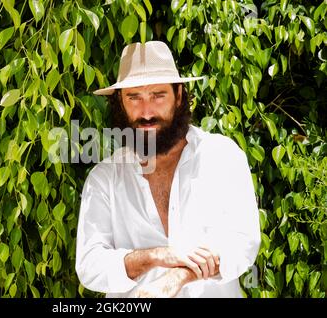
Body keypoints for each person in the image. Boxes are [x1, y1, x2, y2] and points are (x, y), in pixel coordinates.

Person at [75, 41, 261, 297]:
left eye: (158, 95)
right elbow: (90, 265)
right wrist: (155, 257)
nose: (147, 111)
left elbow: (242, 244)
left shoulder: (222, 157)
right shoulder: (104, 178)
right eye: (134, 97)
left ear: (179, 95)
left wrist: (178, 275)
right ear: (119, 102)